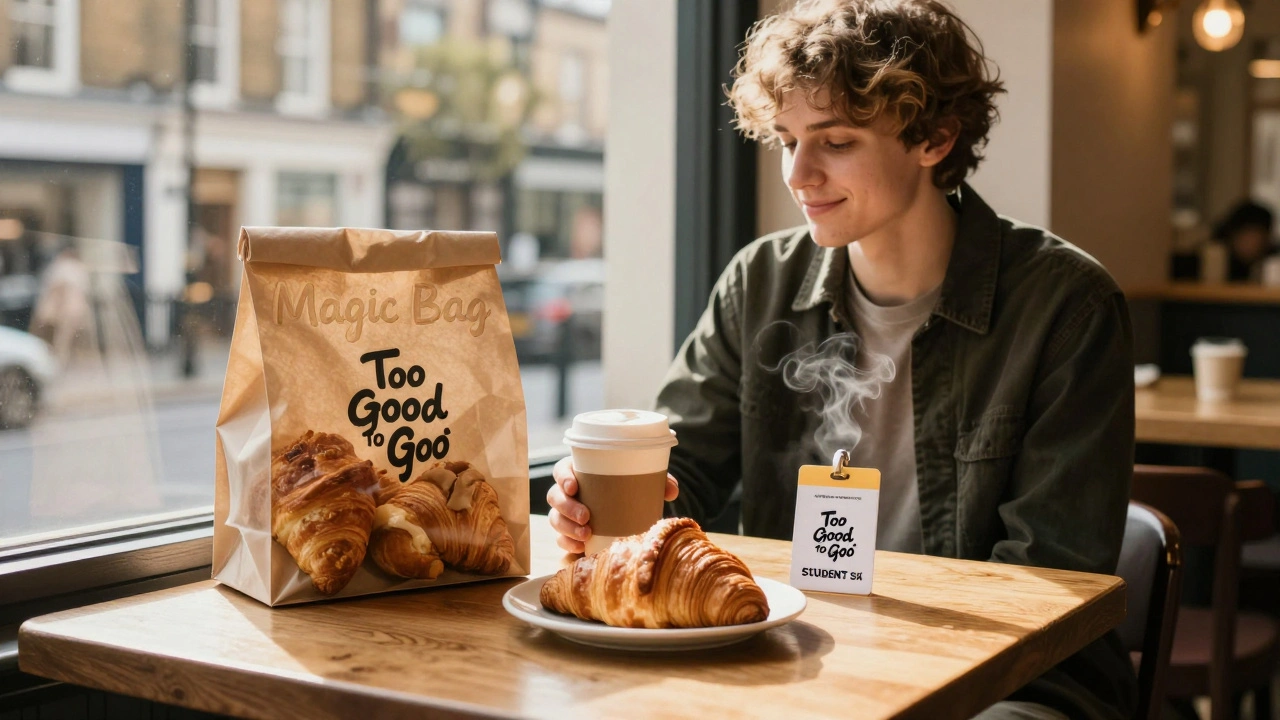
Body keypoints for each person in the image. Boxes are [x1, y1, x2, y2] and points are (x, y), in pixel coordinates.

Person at [548, 1, 1135, 717]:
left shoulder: (1065, 307)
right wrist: (601, 509)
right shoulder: (759, 284)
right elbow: (686, 477)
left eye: (836, 141)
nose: (798, 174)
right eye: (787, 139)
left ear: (935, 139)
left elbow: (1046, 584)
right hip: (795, 649)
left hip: (1014, 677)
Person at [1212, 199, 1275, 282]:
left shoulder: (1271, 262)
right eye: (1247, 236)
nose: (1251, 243)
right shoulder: (1213, 259)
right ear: (1233, 235)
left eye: (1257, 238)